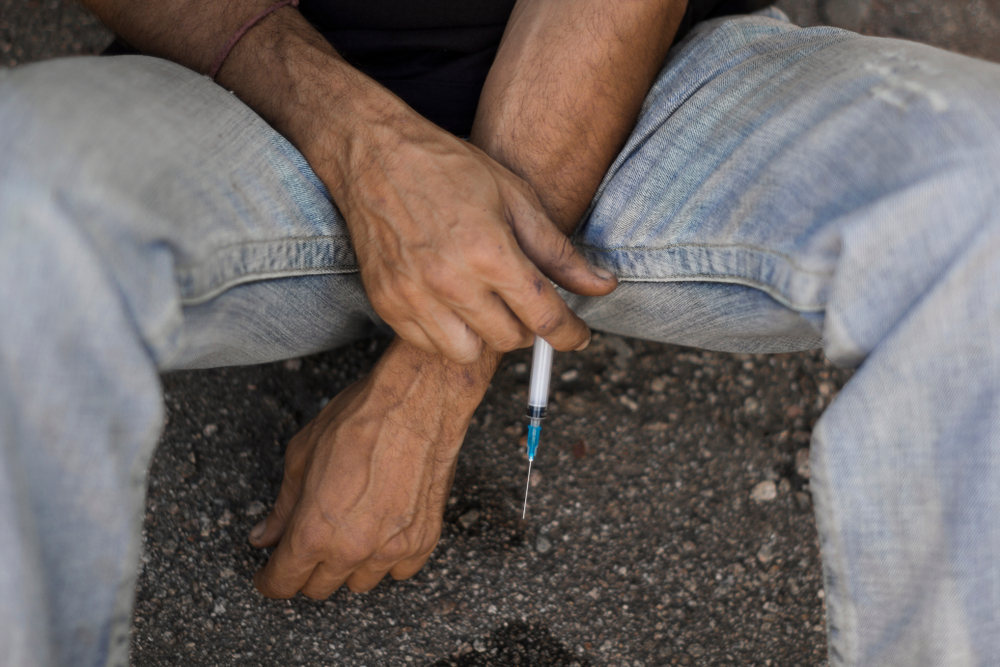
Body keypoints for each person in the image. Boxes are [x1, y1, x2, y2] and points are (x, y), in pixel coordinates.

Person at [1, 0, 999, 664]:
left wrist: (431, 384)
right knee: (19, 190)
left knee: (981, 185)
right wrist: (359, 138)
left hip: (647, 106)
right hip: (247, 105)